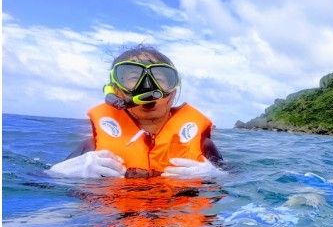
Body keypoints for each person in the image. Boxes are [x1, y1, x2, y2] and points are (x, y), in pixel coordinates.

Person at [49, 45, 224, 179]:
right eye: (133, 79)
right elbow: (37, 182)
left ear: (172, 91)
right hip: (116, 223)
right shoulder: (93, 148)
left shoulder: (203, 145)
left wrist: (215, 175)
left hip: (181, 220)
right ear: (115, 90)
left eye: (160, 79)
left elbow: (236, 180)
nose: (147, 87)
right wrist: (60, 172)